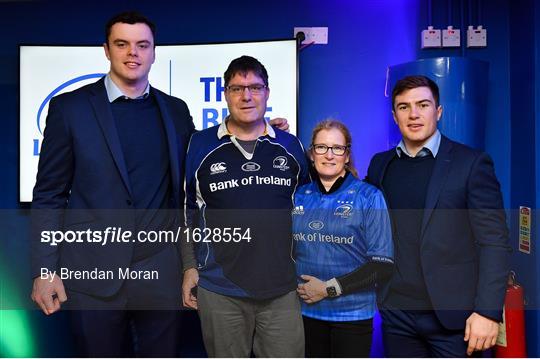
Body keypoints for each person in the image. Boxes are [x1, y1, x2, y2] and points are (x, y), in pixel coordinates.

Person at [30, 11, 289, 357]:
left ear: (154, 51)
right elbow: (49, 194)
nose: (132, 53)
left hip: (161, 271)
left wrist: (255, 127)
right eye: (122, 44)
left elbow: (205, 159)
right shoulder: (70, 108)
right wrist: (46, 270)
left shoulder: (175, 110)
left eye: (142, 45)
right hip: (92, 273)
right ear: (106, 50)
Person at [366, 75, 511, 357]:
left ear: (439, 111)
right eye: (404, 107)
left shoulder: (471, 163)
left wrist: (488, 312)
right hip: (397, 314)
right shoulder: (381, 164)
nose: (414, 114)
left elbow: (495, 241)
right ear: (394, 116)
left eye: (423, 104)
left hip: (457, 320)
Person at [181, 55, 310, 357]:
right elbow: (186, 213)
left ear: (267, 92)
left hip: (282, 289)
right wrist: (189, 266)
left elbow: (308, 207)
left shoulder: (290, 146)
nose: (247, 96)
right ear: (225, 93)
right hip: (219, 289)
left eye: (255, 87)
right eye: (237, 88)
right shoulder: (198, 145)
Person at [293, 119, 394, 357]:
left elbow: (383, 265)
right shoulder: (298, 196)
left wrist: (328, 289)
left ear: (347, 155)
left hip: (351, 317)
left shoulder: (369, 197)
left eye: (337, 148)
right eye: (321, 147)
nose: (329, 155)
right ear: (311, 153)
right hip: (305, 313)